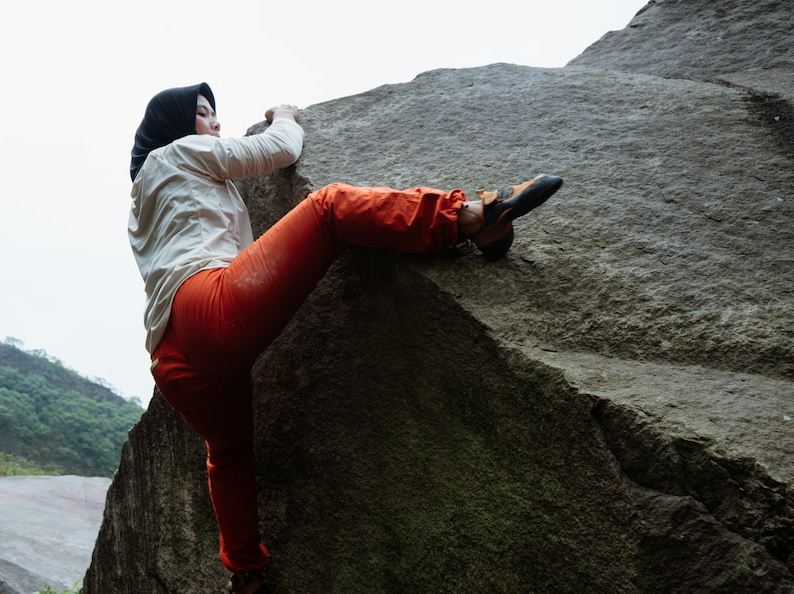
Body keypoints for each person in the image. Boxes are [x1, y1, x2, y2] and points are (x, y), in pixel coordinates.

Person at [128, 82, 562, 593]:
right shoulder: (177, 151)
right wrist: (285, 113)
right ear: (175, 125)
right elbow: (281, 149)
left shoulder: (140, 205)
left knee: (228, 455)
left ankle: (245, 572)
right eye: (203, 114)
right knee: (330, 207)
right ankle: (470, 217)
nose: (215, 125)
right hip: (209, 308)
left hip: (172, 361)